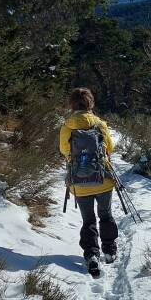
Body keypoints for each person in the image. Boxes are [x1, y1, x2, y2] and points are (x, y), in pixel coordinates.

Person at [59, 88, 118, 276]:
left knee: (88, 220)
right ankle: (109, 250)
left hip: (79, 181)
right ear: (90, 103)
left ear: (72, 104)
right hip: (103, 180)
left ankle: (91, 254)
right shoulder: (99, 124)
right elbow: (110, 147)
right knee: (106, 215)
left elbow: (64, 151)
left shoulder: (67, 126)